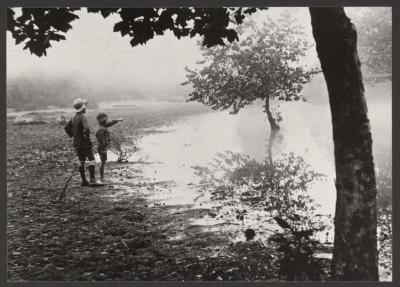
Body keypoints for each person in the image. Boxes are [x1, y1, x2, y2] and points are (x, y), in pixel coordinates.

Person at [64, 98, 100, 186]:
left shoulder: (73, 117)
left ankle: (84, 181)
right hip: (84, 143)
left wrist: (73, 136)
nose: (85, 109)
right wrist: (87, 139)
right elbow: (87, 130)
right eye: (85, 107)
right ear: (83, 108)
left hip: (77, 143)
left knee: (81, 161)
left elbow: (66, 127)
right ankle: (92, 180)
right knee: (92, 160)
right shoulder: (83, 117)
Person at [95, 112, 123, 182]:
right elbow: (102, 141)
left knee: (103, 162)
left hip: (101, 147)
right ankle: (102, 178)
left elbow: (110, 123)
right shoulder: (101, 130)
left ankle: (102, 177)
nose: (107, 121)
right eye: (106, 119)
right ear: (104, 120)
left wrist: (117, 120)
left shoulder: (102, 126)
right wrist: (103, 149)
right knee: (103, 162)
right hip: (102, 148)